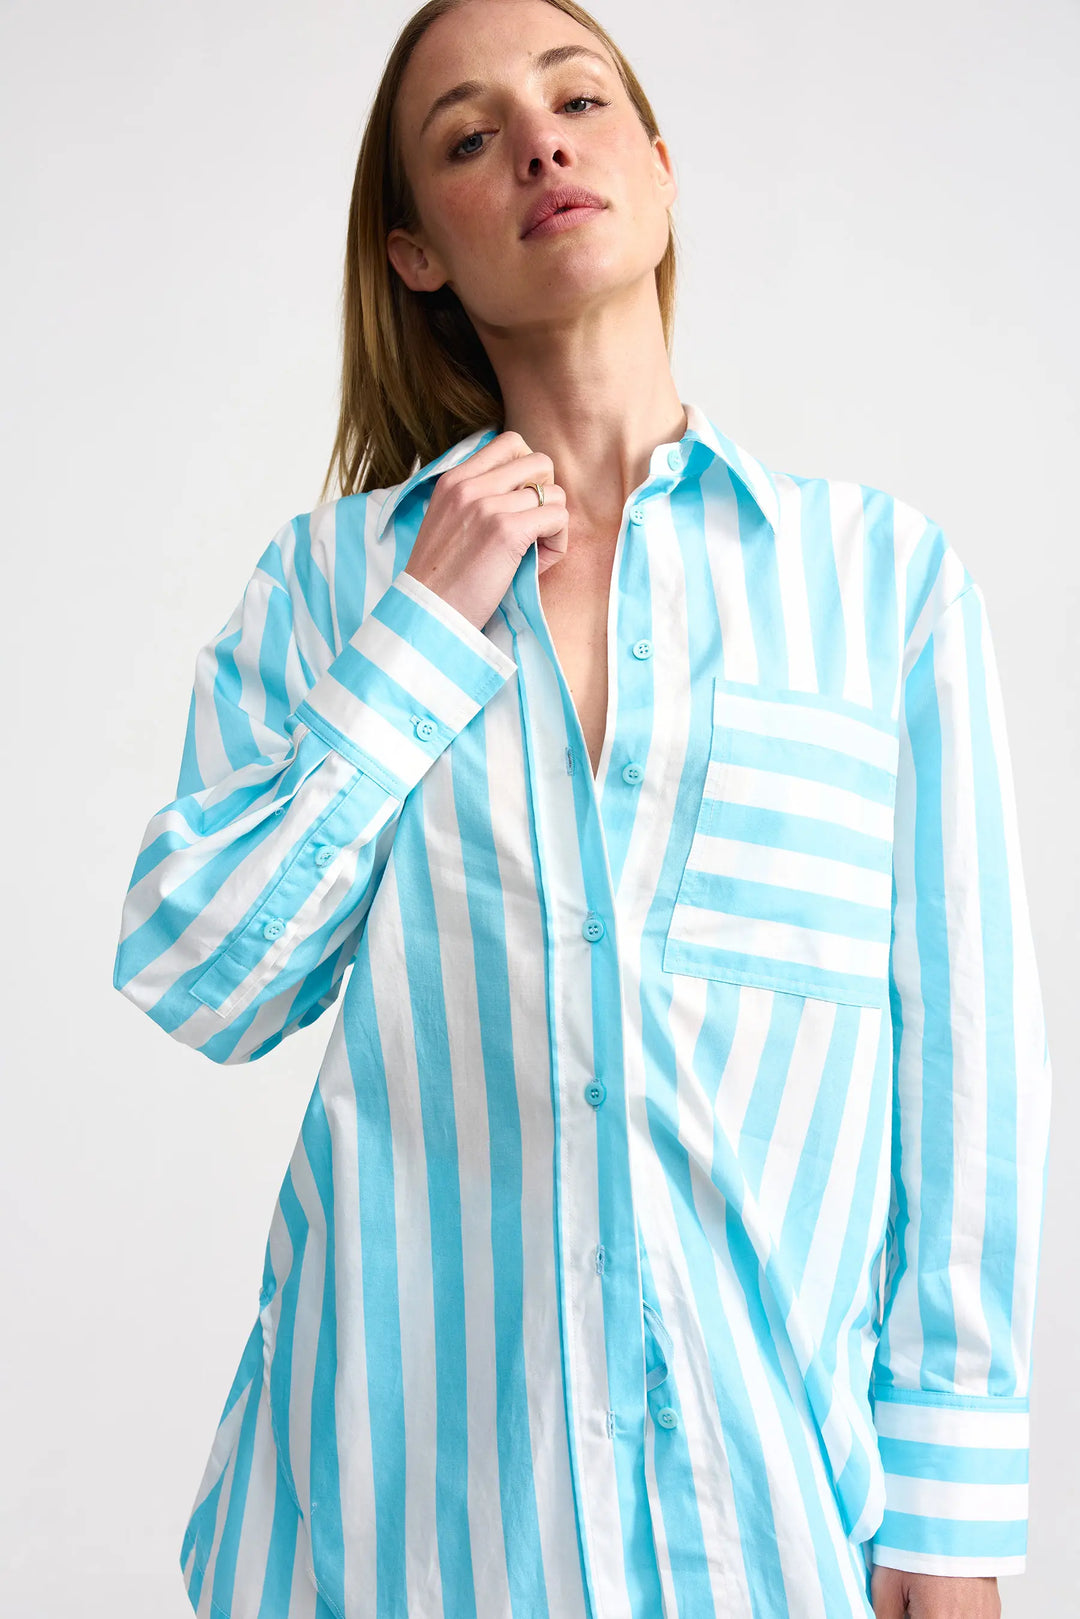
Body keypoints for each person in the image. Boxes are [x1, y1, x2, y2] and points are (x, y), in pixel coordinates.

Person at [111, 2, 1052, 1616]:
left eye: (579, 98)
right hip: (388, 1535)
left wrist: (950, 1517)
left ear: (663, 173)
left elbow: (965, 1079)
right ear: (417, 253)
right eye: (470, 136)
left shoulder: (880, 585)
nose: (542, 141)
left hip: (763, 1526)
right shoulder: (329, 588)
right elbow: (203, 979)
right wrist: (419, 631)